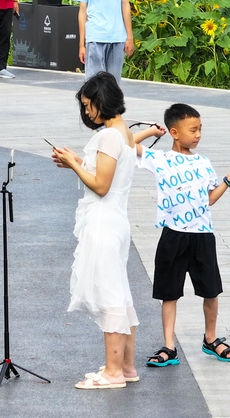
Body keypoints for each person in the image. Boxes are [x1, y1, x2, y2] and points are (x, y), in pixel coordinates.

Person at [51, 73, 163, 389]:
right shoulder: (123, 133)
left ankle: (113, 373)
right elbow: (108, 166)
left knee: (110, 293)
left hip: (103, 221)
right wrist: (75, 160)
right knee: (120, 293)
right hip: (116, 221)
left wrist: (74, 164)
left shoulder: (110, 136)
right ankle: (125, 366)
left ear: (101, 101)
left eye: (89, 106)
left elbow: (101, 185)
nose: (87, 113)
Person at [138, 103, 230, 368]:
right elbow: (123, 143)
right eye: (193, 130)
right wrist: (150, 132)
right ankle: (169, 346)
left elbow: (209, 199)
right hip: (173, 236)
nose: (198, 135)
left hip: (202, 236)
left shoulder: (202, 162)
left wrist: (229, 179)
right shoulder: (160, 159)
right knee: (169, 293)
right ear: (174, 132)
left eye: (200, 129)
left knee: (211, 290)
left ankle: (210, 339)